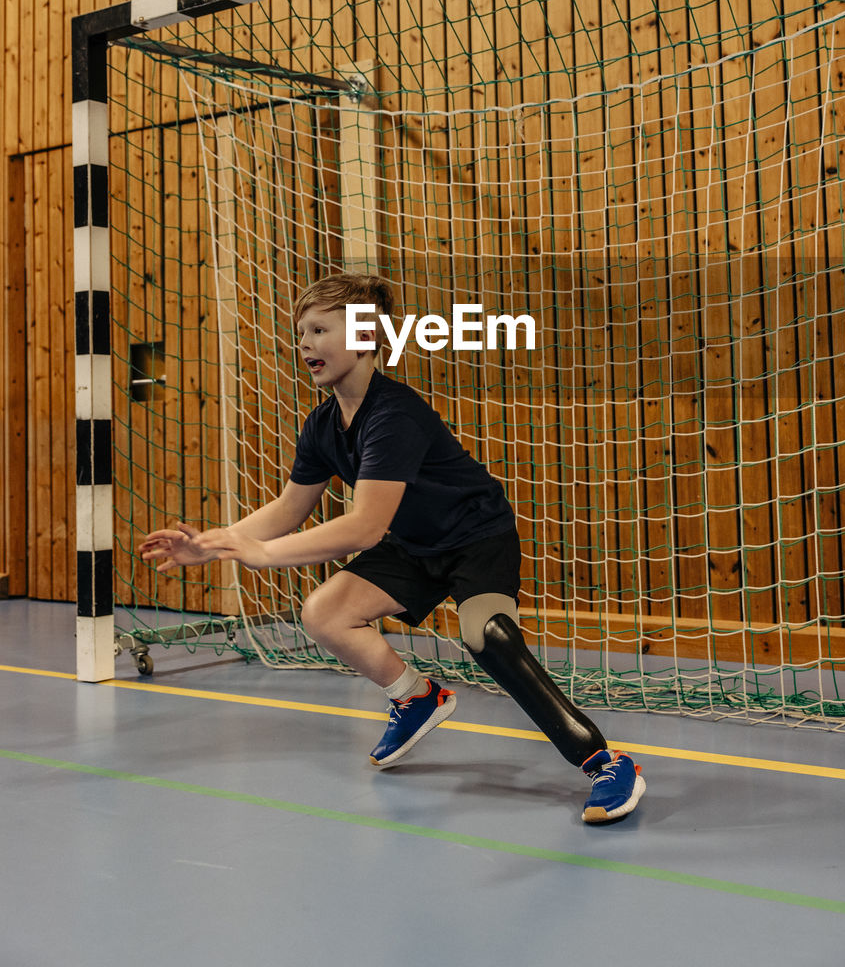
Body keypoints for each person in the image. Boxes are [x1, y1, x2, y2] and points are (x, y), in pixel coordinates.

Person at [141, 273, 645, 825]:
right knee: (326, 612)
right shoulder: (324, 423)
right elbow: (289, 508)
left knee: (487, 637)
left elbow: (363, 528)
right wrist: (215, 545)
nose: (304, 343)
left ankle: (605, 761)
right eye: (299, 332)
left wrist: (261, 554)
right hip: (414, 546)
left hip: (476, 538)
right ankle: (415, 698)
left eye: (319, 329)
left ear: (365, 336)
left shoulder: (394, 414)